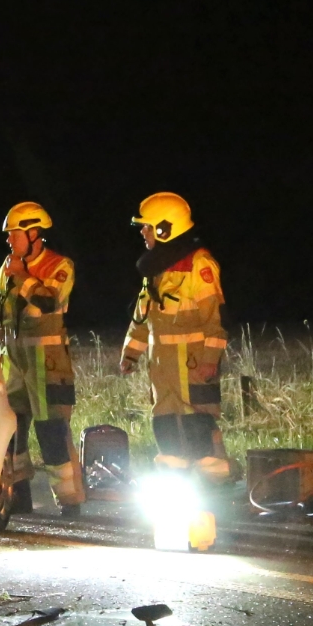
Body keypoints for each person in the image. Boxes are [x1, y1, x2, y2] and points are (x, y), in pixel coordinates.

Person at [121, 191, 231, 481]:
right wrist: (131, 353)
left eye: (148, 226)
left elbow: (216, 320)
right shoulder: (155, 269)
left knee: (198, 423)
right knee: (165, 423)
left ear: (165, 228)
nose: (143, 232)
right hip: (162, 366)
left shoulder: (199, 264)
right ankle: (175, 483)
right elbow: (143, 317)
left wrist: (210, 360)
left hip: (193, 364)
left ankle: (212, 485)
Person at [0, 201, 87, 516]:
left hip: (47, 362)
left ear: (34, 233)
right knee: (12, 430)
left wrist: (22, 277)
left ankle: (70, 502)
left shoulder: (60, 265)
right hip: (13, 362)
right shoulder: (6, 266)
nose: (8, 241)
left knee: (52, 431)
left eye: (13, 234)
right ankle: (19, 497)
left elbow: (49, 300)